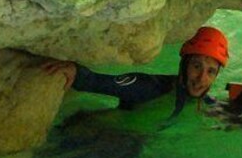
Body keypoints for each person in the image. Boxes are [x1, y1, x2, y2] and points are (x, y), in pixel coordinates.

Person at [42, 26, 229, 118]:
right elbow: (101, 82)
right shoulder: (150, 88)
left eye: (211, 71)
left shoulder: (202, 101)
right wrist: (77, 72)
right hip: (99, 137)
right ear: (184, 65)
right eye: (196, 67)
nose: (202, 79)